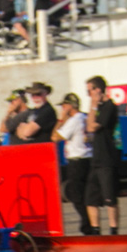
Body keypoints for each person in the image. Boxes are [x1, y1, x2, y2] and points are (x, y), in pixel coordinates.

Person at [53, 92, 93, 235]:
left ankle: (87, 225)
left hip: (76, 160)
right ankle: (90, 224)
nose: (63, 109)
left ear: (70, 106)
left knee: (76, 196)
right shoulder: (84, 117)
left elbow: (55, 137)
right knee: (85, 195)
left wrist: (61, 119)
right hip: (88, 158)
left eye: (64, 106)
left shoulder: (73, 121)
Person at [84, 75, 120, 234]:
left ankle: (113, 230)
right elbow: (88, 126)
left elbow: (93, 127)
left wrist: (93, 106)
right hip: (96, 159)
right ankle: (95, 229)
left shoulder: (109, 106)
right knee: (90, 198)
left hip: (106, 157)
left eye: (89, 91)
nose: (88, 95)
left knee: (109, 197)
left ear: (98, 90)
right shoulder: (96, 108)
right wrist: (93, 106)